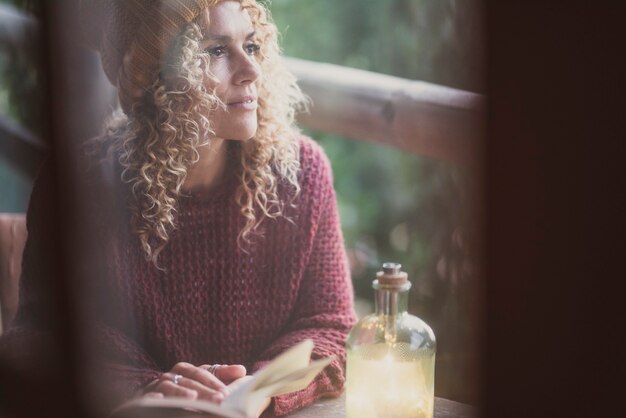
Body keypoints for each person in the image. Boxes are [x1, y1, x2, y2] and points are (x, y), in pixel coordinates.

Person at [1, 0, 356, 416]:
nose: (251, 70)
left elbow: (330, 327)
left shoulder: (302, 175)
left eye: (252, 45)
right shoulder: (77, 187)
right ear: (154, 74)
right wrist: (146, 386)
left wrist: (257, 388)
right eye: (216, 50)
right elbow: (35, 337)